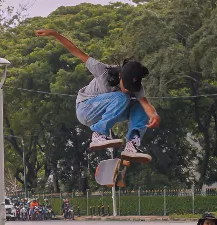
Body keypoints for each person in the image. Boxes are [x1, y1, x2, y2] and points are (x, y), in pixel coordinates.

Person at [34, 29, 160, 163]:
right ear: (119, 76)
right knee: (122, 97)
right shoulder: (103, 71)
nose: (127, 90)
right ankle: (98, 134)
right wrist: (54, 34)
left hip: (104, 111)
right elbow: (77, 53)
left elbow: (146, 105)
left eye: (131, 88)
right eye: (126, 86)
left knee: (139, 105)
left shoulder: (136, 87)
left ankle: (132, 144)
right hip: (85, 108)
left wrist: (154, 115)